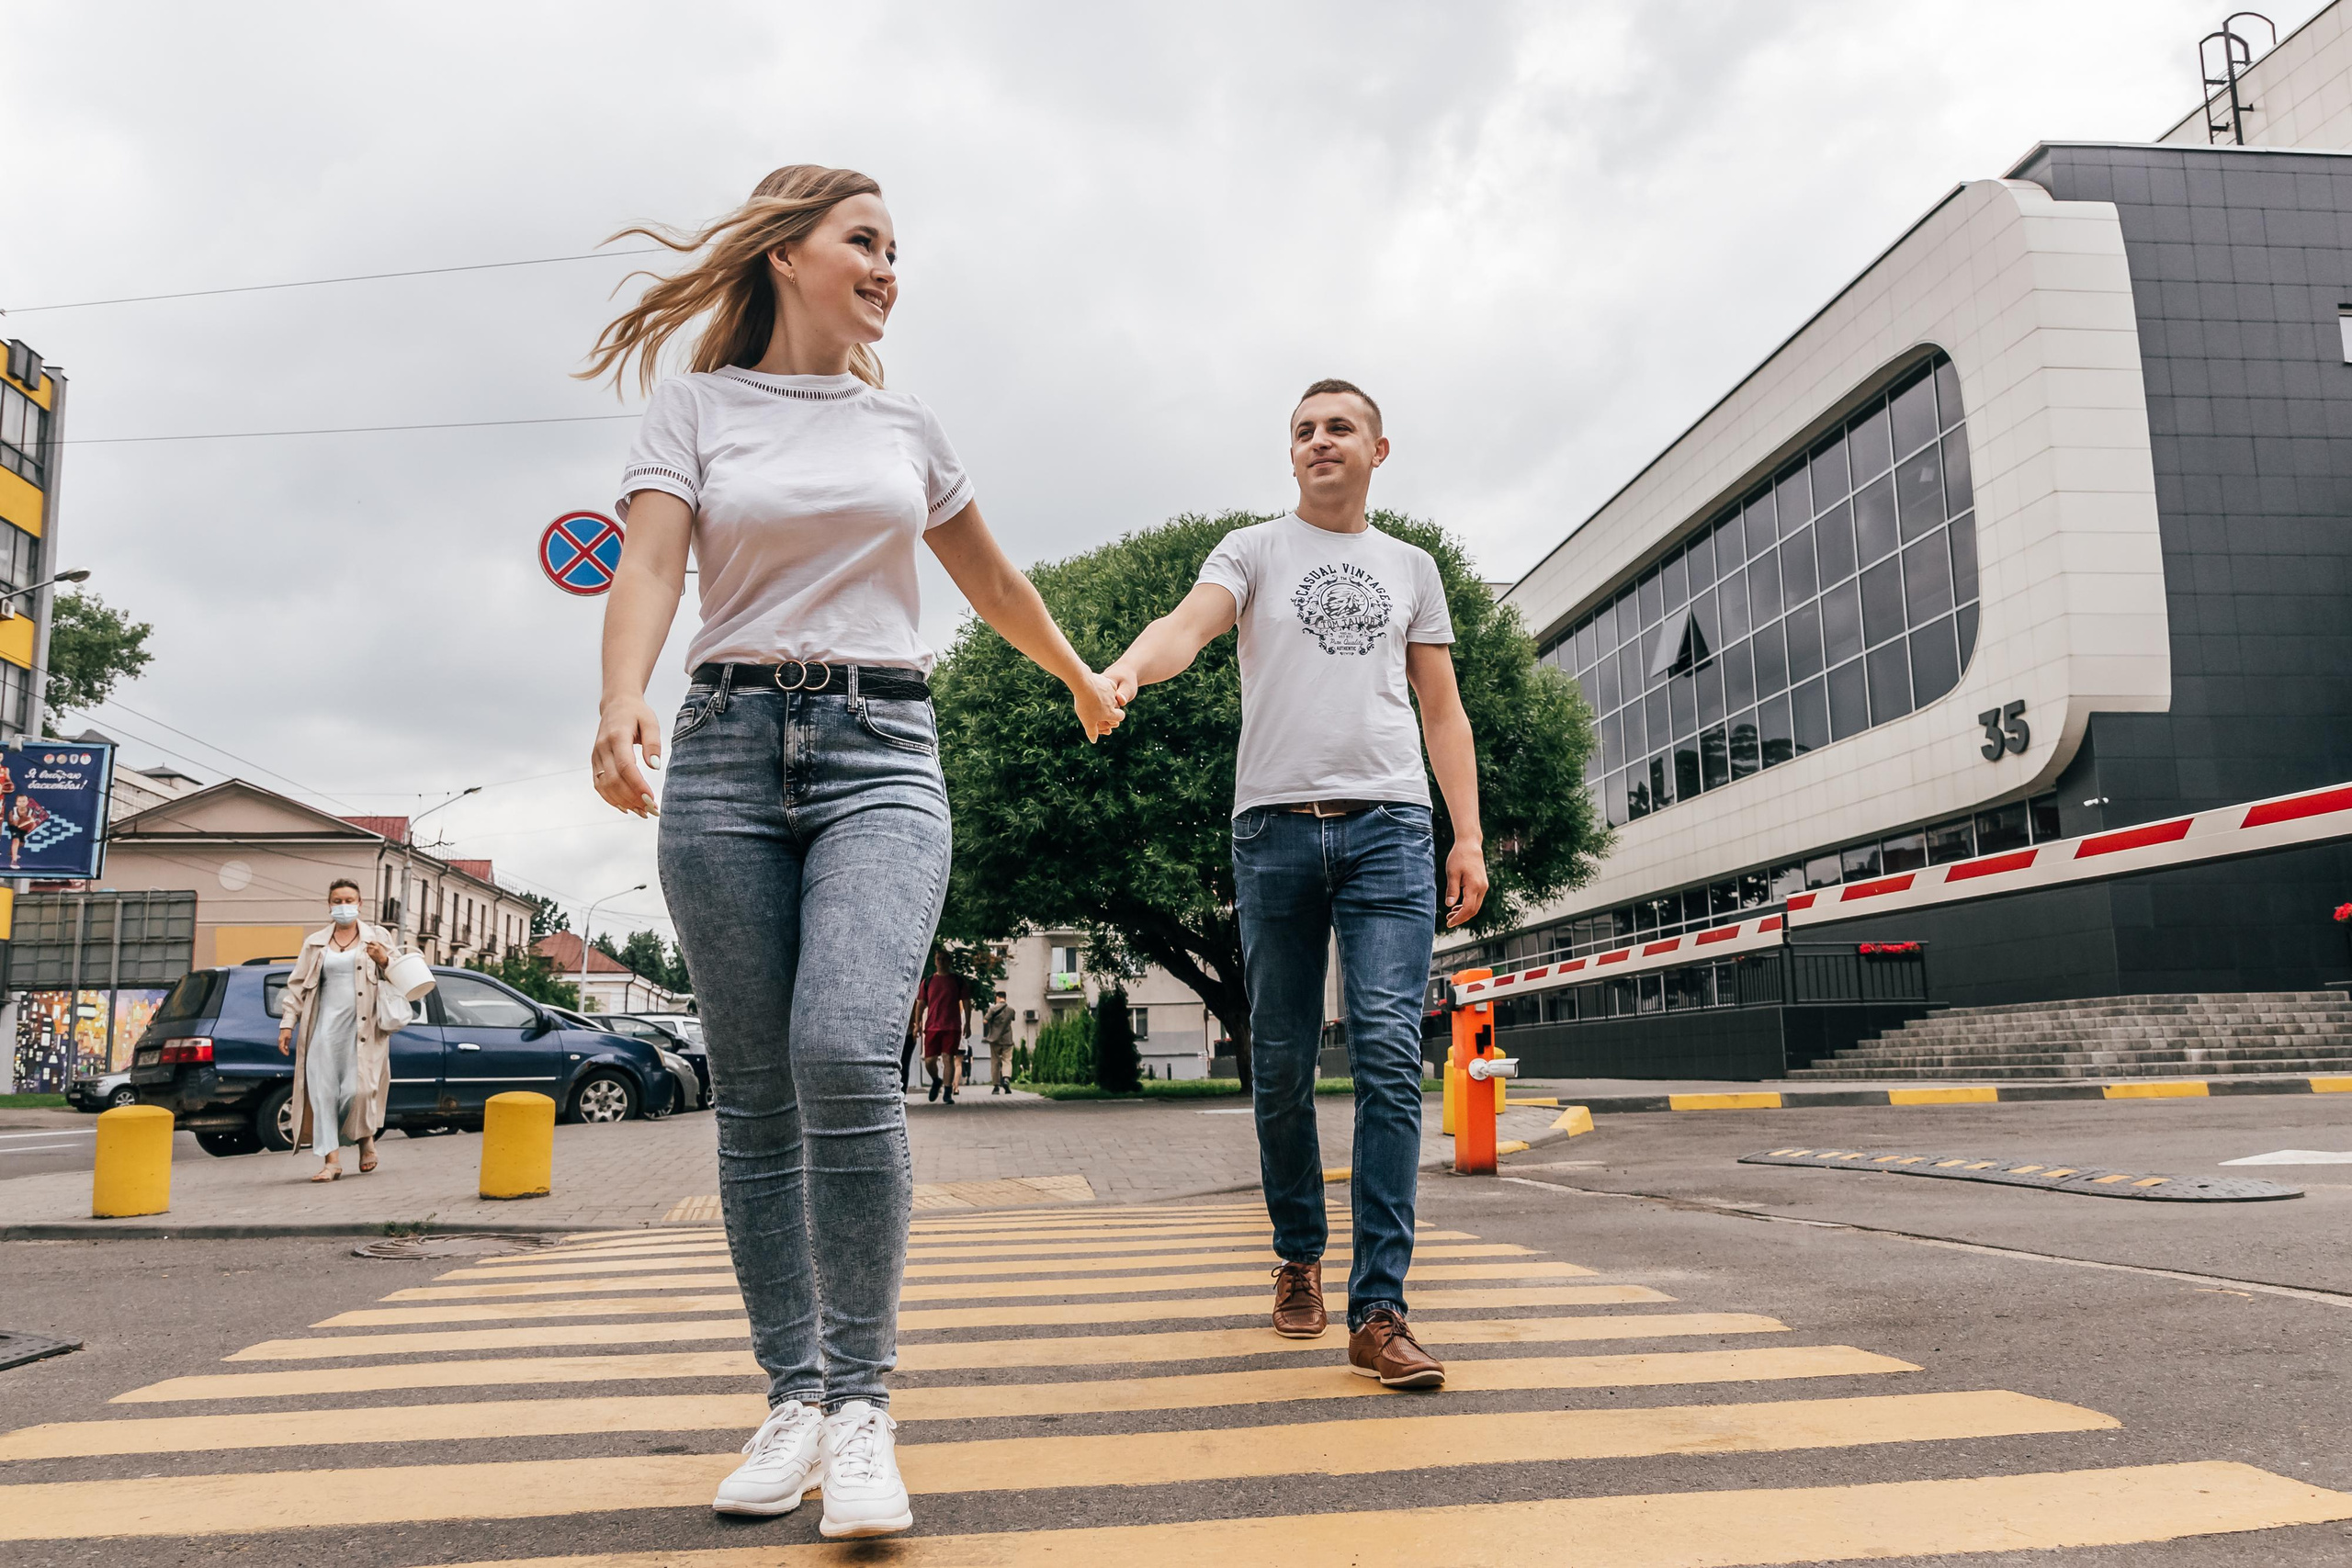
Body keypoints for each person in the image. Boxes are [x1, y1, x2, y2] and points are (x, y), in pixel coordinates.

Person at [584, 164, 1124, 1540]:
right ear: (787, 253)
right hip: (721, 748)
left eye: (896, 247)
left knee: (841, 1049)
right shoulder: (696, 406)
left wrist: (1072, 671)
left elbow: (989, 576)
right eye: (865, 240)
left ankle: (866, 1406)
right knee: (757, 1092)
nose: (889, 266)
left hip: (885, 751)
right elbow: (648, 564)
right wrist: (620, 695)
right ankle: (796, 1398)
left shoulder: (905, 424)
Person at [1104, 378, 1487, 1390]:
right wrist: (1130, 672)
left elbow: (1442, 711)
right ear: (1291, 456)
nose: (1321, 441)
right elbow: (1189, 623)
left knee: (1389, 1056)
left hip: (1392, 830)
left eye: (1340, 428)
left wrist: (1469, 837)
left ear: (1378, 449)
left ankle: (1380, 1308)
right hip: (1272, 830)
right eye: (1304, 431)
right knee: (1277, 1061)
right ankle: (1297, 1257)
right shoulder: (1253, 549)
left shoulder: (1411, 567)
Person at [275, 880, 400, 1182]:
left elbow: (401, 974)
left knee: (358, 1091)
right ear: (329, 905)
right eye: (337, 900)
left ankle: (365, 1138)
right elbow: (297, 985)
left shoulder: (378, 937)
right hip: (323, 1030)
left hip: (365, 1029)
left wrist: (383, 960)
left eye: (349, 900)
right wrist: (287, 1023)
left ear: (360, 904)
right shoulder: (316, 943)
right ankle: (331, 1161)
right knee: (323, 1093)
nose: (343, 905)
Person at [918, 950, 969, 1104]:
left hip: (952, 1026)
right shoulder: (927, 982)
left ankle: (948, 1092)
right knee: (929, 1061)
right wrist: (917, 1024)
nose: (941, 961)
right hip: (932, 1026)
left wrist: (968, 1023)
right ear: (935, 961)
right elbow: (921, 1003)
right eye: (938, 958)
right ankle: (936, 1080)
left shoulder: (957, 981)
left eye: (944, 959)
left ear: (949, 962)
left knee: (948, 1058)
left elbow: (966, 1002)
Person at [982, 997, 1016, 1093]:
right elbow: (1012, 1019)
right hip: (1007, 1039)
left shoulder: (992, 1009)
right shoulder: (1011, 1010)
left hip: (995, 1039)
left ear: (997, 998)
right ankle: (1006, 1079)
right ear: (1005, 998)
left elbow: (985, 1021)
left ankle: (996, 1086)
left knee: (995, 1061)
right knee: (1007, 1060)